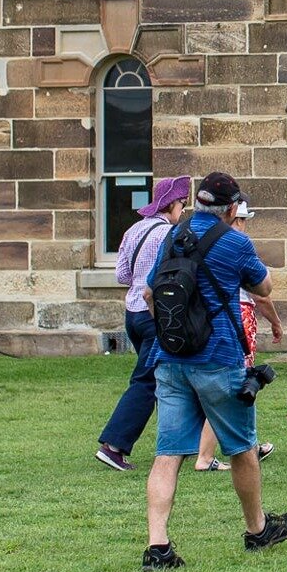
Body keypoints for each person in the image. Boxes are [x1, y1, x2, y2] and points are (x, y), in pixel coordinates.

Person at [142, 172, 287, 571]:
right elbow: (264, 287)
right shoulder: (235, 241)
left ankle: (157, 545)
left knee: (168, 453)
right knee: (243, 448)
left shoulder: (173, 236)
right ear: (231, 208)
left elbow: (148, 292)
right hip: (218, 357)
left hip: (171, 359)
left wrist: (170, 334)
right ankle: (257, 529)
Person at [96, 175, 189, 472]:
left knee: (165, 376)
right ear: (171, 204)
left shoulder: (134, 229)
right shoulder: (170, 235)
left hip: (132, 315)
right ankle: (114, 446)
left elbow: (122, 275)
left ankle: (178, 443)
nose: (183, 211)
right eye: (182, 204)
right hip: (155, 316)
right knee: (147, 381)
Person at [195, 200, 280, 472]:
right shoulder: (237, 245)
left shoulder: (208, 242)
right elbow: (261, 292)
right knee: (236, 386)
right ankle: (207, 455)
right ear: (238, 219)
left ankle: (248, 445)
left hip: (210, 319)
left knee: (231, 385)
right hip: (238, 316)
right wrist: (276, 322)